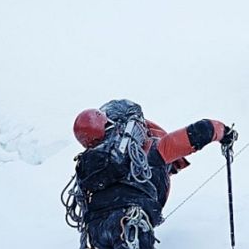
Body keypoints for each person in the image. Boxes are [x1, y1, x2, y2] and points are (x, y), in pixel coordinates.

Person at [63, 99, 238, 249]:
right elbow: (199, 131)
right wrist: (223, 132)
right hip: (130, 220)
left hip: (95, 229)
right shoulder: (149, 150)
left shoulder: (95, 163)